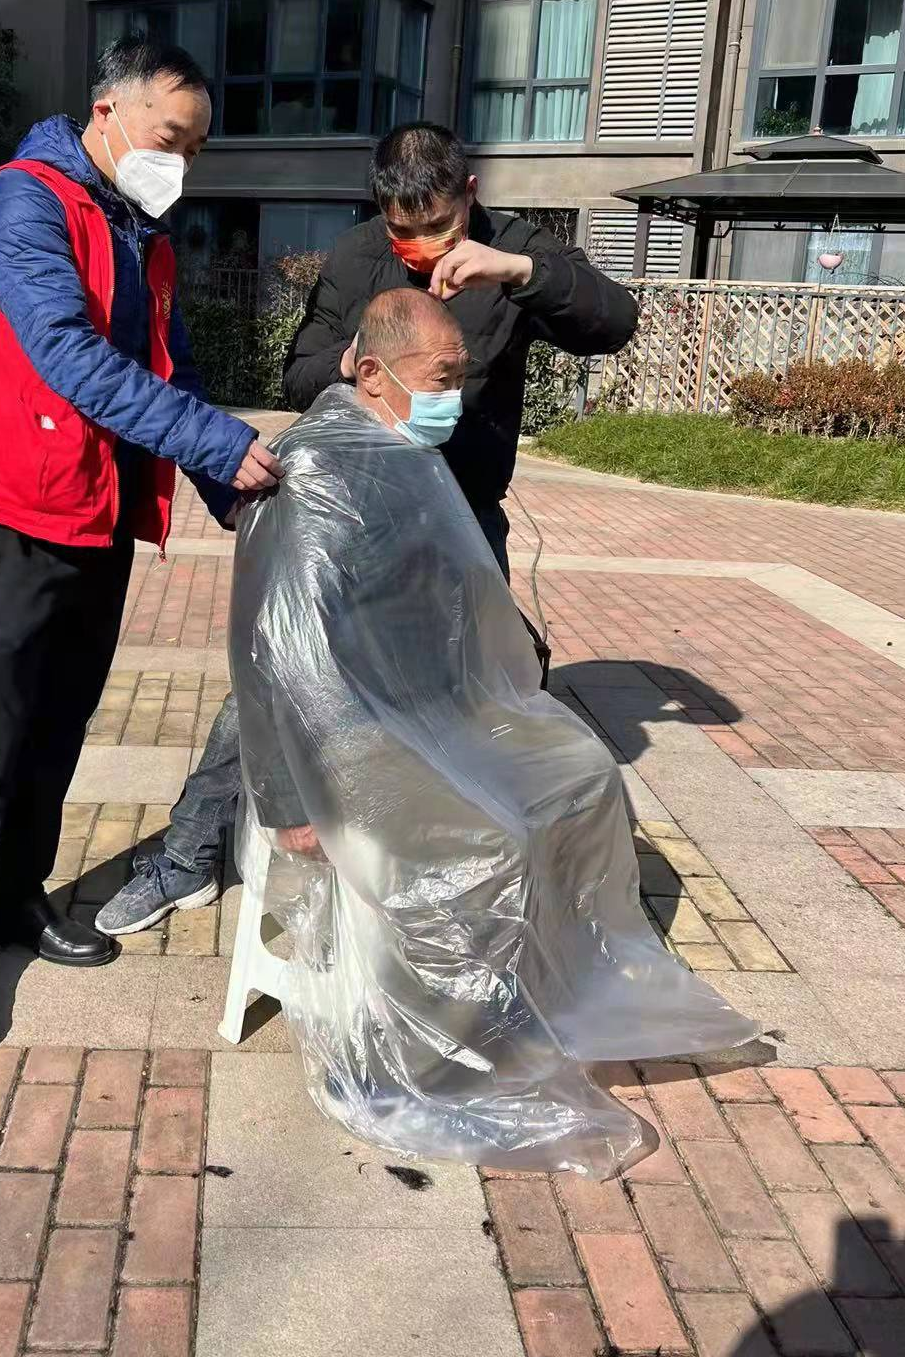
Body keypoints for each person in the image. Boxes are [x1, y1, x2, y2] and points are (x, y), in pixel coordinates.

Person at [228, 288, 758, 1175]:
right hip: (346, 742)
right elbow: (275, 647)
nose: (454, 396)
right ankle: (402, 1064)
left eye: (460, 378)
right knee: (489, 839)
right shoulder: (317, 468)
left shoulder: (401, 450)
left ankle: (545, 985)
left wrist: (498, 692)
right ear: (372, 372)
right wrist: (288, 800)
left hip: (426, 715)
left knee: (581, 776)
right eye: (440, 378)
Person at [97, 121, 638, 939]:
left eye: (439, 227)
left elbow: (613, 321)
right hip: (359, 518)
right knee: (282, 668)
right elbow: (300, 373)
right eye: (402, 230)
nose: (422, 246)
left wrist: (518, 272)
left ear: (470, 196)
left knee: (482, 686)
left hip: (461, 519)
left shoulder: (516, 252)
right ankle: (189, 852)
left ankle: (468, 865)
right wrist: (354, 360)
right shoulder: (356, 257)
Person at [0, 35, 283, 1047]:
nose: (182, 162)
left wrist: (229, 487)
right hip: (8, 508)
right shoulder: (25, 203)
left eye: (196, 150)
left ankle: (16, 897)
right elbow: (65, 353)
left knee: (58, 722)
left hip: (97, 509)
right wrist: (217, 441)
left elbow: (173, 369)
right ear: (108, 112)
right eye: (172, 137)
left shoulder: (138, 230)